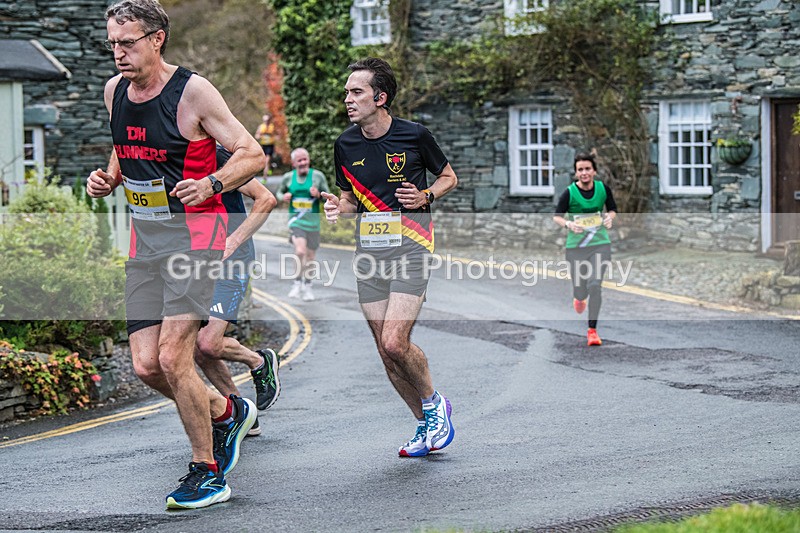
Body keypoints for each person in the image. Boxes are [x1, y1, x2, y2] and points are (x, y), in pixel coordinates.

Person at [86, 0, 263, 509]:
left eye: (128, 42)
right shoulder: (114, 91)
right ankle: (226, 412)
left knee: (173, 356)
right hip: (146, 243)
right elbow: (126, 144)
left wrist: (211, 182)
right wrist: (109, 177)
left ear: (157, 38)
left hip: (197, 239)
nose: (118, 53)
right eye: (112, 43)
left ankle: (207, 472)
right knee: (145, 366)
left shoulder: (193, 92)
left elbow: (251, 154)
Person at [321, 57, 458, 458]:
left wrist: (425, 196)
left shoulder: (415, 136)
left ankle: (436, 405)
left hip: (413, 246)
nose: (347, 98)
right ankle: (424, 425)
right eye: (347, 92)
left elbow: (449, 176)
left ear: (380, 98)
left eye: (356, 92)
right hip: (369, 254)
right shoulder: (345, 144)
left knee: (396, 341)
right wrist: (338, 209)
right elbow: (350, 200)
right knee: (383, 348)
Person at [194, 146, 281, 439]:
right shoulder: (167, 155)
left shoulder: (217, 157)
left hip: (232, 261)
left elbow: (266, 199)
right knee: (198, 348)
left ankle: (259, 361)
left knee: (207, 343)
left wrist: (233, 240)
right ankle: (244, 414)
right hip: (195, 263)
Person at [553, 153, 618, 346]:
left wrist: (609, 218)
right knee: (581, 290)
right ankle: (579, 297)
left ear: (594, 171)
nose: (584, 173)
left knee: (595, 285)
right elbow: (557, 216)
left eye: (587, 169)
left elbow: (612, 209)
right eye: (580, 169)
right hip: (576, 248)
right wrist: (568, 225)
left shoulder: (602, 189)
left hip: (600, 244)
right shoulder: (570, 193)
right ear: (576, 173)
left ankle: (592, 331)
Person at [277, 147, 329, 301]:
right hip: (296, 221)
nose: (303, 162)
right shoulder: (288, 177)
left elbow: (328, 196)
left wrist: (318, 195)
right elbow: (279, 192)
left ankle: (307, 286)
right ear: (293, 163)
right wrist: (283, 196)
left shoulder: (318, 176)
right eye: (299, 160)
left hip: (313, 223)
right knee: (300, 251)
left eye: (305, 159)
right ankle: (296, 282)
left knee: (311, 257)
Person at [254, 114, 276, 180]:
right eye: (265, 120)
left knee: (267, 160)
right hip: (263, 145)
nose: (266, 122)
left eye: (267, 120)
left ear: (269, 120)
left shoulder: (272, 127)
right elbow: (257, 135)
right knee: (265, 160)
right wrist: (258, 136)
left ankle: (264, 177)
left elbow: (277, 134)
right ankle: (271, 167)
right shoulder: (261, 127)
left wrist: (275, 137)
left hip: (270, 145)